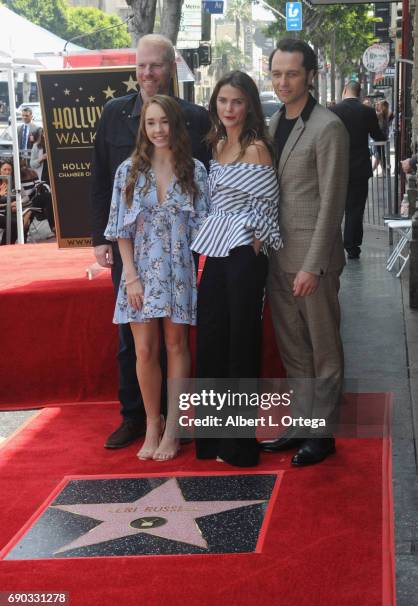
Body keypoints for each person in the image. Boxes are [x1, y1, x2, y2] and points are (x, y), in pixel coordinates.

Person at [91, 34, 210, 450]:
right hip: (137, 269)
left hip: (179, 267)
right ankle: (147, 423)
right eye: (150, 123)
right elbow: (114, 215)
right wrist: (130, 275)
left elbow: (207, 222)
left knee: (177, 344)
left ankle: (175, 427)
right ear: (142, 126)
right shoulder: (127, 165)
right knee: (140, 349)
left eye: (154, 65)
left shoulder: (195, 163)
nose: (146, 73)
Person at [260, 39, 349, 466]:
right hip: (277, 256)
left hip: (312, 261)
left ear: (310, 75)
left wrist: (313, 265)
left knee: (323, 347)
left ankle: (324, 433)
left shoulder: (328, 127)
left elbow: (332, 203)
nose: (282, 81)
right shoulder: (274, 121)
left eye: (291, 73)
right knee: (293, 348)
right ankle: (301, 423)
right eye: (277, 73)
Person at [191, 71, 282, 467]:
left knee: (241, 342)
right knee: (211, 336)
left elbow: (267, 206)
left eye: (237, 102)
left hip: (245, 251)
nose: (229, 109)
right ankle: (211, 438)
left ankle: (239, 444)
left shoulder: (256, 148)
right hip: (215, 249)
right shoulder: (216, 145)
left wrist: (256, 242)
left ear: (249, 106)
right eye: (223, 101)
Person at [331, 81, 385, 260]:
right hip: (360, 167)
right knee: (356, 208)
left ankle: (333, 245)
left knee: (335, 207)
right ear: (360, 93)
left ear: (345, 90)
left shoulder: (334, 111)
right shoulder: (367, 111)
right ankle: (352, 245)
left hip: (337, 167)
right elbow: (378, 136)